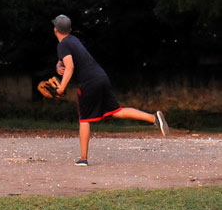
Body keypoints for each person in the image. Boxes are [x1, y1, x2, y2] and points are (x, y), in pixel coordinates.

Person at [51, 14, 170, 167]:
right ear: (70, 29)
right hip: (101, 77)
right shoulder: (73, 40)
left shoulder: (63, 45)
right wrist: (58, 66)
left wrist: (61, 88)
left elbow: (70, 67)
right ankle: (154, 118)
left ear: (55, 29)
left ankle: (83, 159)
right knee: (117, 111)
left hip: (88, 83)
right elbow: (66, 62)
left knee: (84, 119)